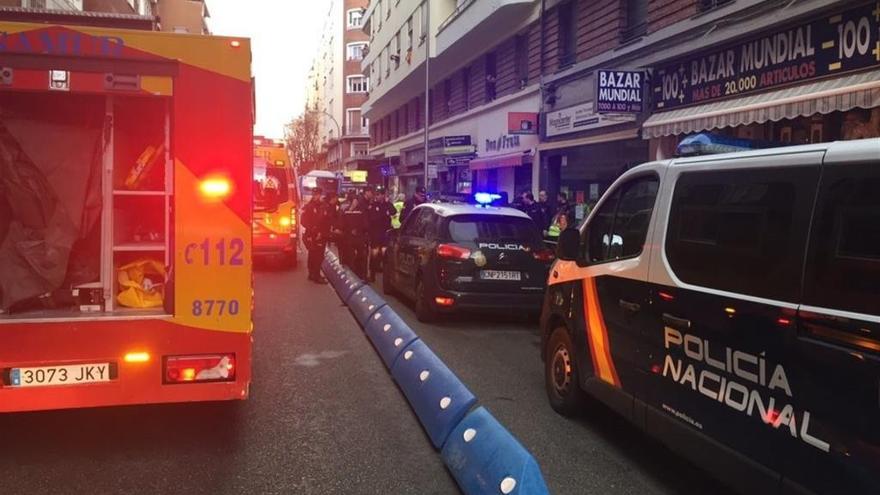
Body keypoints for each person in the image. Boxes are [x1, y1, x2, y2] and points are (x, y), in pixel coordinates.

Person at [300, 187, 331, 284]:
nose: (316, 196)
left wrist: (322, 232)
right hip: (312, 234)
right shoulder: (308, 206)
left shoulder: (323, 206)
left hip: (321, 234)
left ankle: (314, 273)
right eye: (314, 194)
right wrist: (313, 230)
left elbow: (326, 221)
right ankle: (315, 275)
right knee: (315, 255)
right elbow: (303, 221)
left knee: (317, 255)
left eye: (317, 194)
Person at [366, 186, 397, 282]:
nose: (378, 196)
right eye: (377, 194)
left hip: (385, 233)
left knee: (384, 254)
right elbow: (372, 218)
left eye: (381, 195)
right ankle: (372, 274)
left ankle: (385, 275)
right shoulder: (373, 205)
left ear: (384, 195)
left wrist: (388, 203)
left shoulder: (387, 204)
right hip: (375, 233)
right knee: (374, 254)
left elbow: (393, 211)